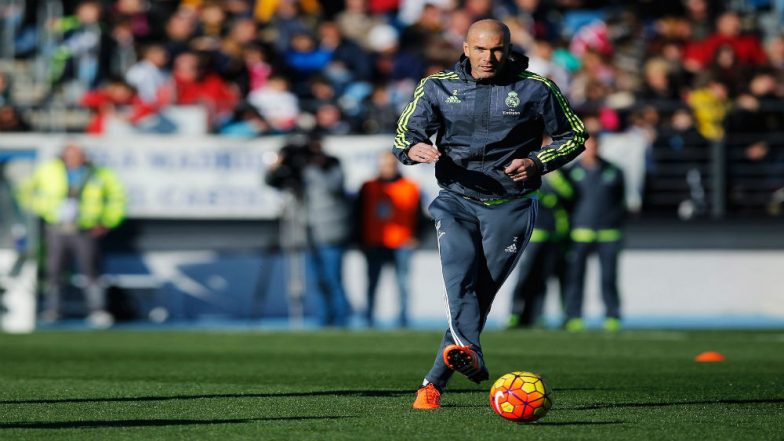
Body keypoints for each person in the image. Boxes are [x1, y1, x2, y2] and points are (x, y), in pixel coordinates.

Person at [392, 19, 586, 409]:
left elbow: (575, 135)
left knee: (480, 294)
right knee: (458, 281)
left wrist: (537, 161)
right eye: (480, 49)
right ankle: (461, 357)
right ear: (465, 48)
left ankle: (436, 380)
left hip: (511, 205)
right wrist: (413, 149)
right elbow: (403, 135)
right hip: (456, 200)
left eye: (497, 49)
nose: (489, 57)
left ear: (509, 48)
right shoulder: (436, 87)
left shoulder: (536, 87)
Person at [17, 143, 126, 327]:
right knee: (54, 270)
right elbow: (26, 190)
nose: (75, 158)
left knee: (91, 269)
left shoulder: (98, 173)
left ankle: (97, 310)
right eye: (71, 154)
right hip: (56, 226)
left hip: (85, 227)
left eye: (78, 155)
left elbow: (117, 197)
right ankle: (53, 310)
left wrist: (107, 221)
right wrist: (41, 210)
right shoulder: (48, 170)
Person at [266, 133, 353, 327]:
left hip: (331, 230)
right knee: (318, 280)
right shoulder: (300, 168)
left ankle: (341, 320)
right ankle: (324, 320)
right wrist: (277, 166)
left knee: (333, 279)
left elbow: (332, 186)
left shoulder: (332, 164)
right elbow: (272, 182)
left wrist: (311, 167)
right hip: (307, 231)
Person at [562, 135, 625, 333]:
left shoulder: (613, 170)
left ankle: (612, 316)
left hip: (609, 234)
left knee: (608, 278)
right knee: (575, 278)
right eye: (588, 146)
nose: (592, 150)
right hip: (580, 234)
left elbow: (621, 201)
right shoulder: (572, 171)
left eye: (595, 146)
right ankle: (574, 317)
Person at [356, 151, 426, 328]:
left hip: (401, 243)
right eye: (383, 165)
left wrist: (416, 237)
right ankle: (369, 320)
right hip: (374, 242)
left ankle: (403, 320)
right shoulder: (368, 186)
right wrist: (360, 240)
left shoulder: (411, 187)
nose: (387, 168)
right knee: (372, 284)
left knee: (402, 285)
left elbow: (420, 216)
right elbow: (358, 214)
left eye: (390, 164)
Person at [507, 168, 573, 329]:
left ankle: (536, 315)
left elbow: (568, 193)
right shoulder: (523, 169)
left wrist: (553, 175)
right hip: (531, 235)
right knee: (525, 277)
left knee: (543, 278)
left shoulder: (557, 171)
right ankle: (515, 314)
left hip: (551, 234)